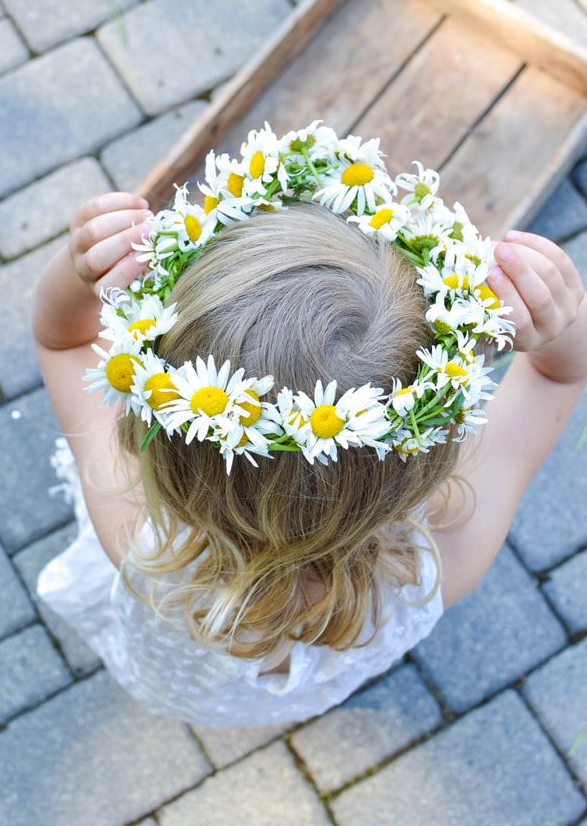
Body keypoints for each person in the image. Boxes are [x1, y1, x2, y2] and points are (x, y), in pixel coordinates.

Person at [33, 122, 587, 727]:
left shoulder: (137, 530)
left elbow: (62, 342)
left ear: (165, 435)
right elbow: (559, 378)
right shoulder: (440, 562)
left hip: (176, 681)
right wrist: (558, 319)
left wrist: (77, 268)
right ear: (425, 447)